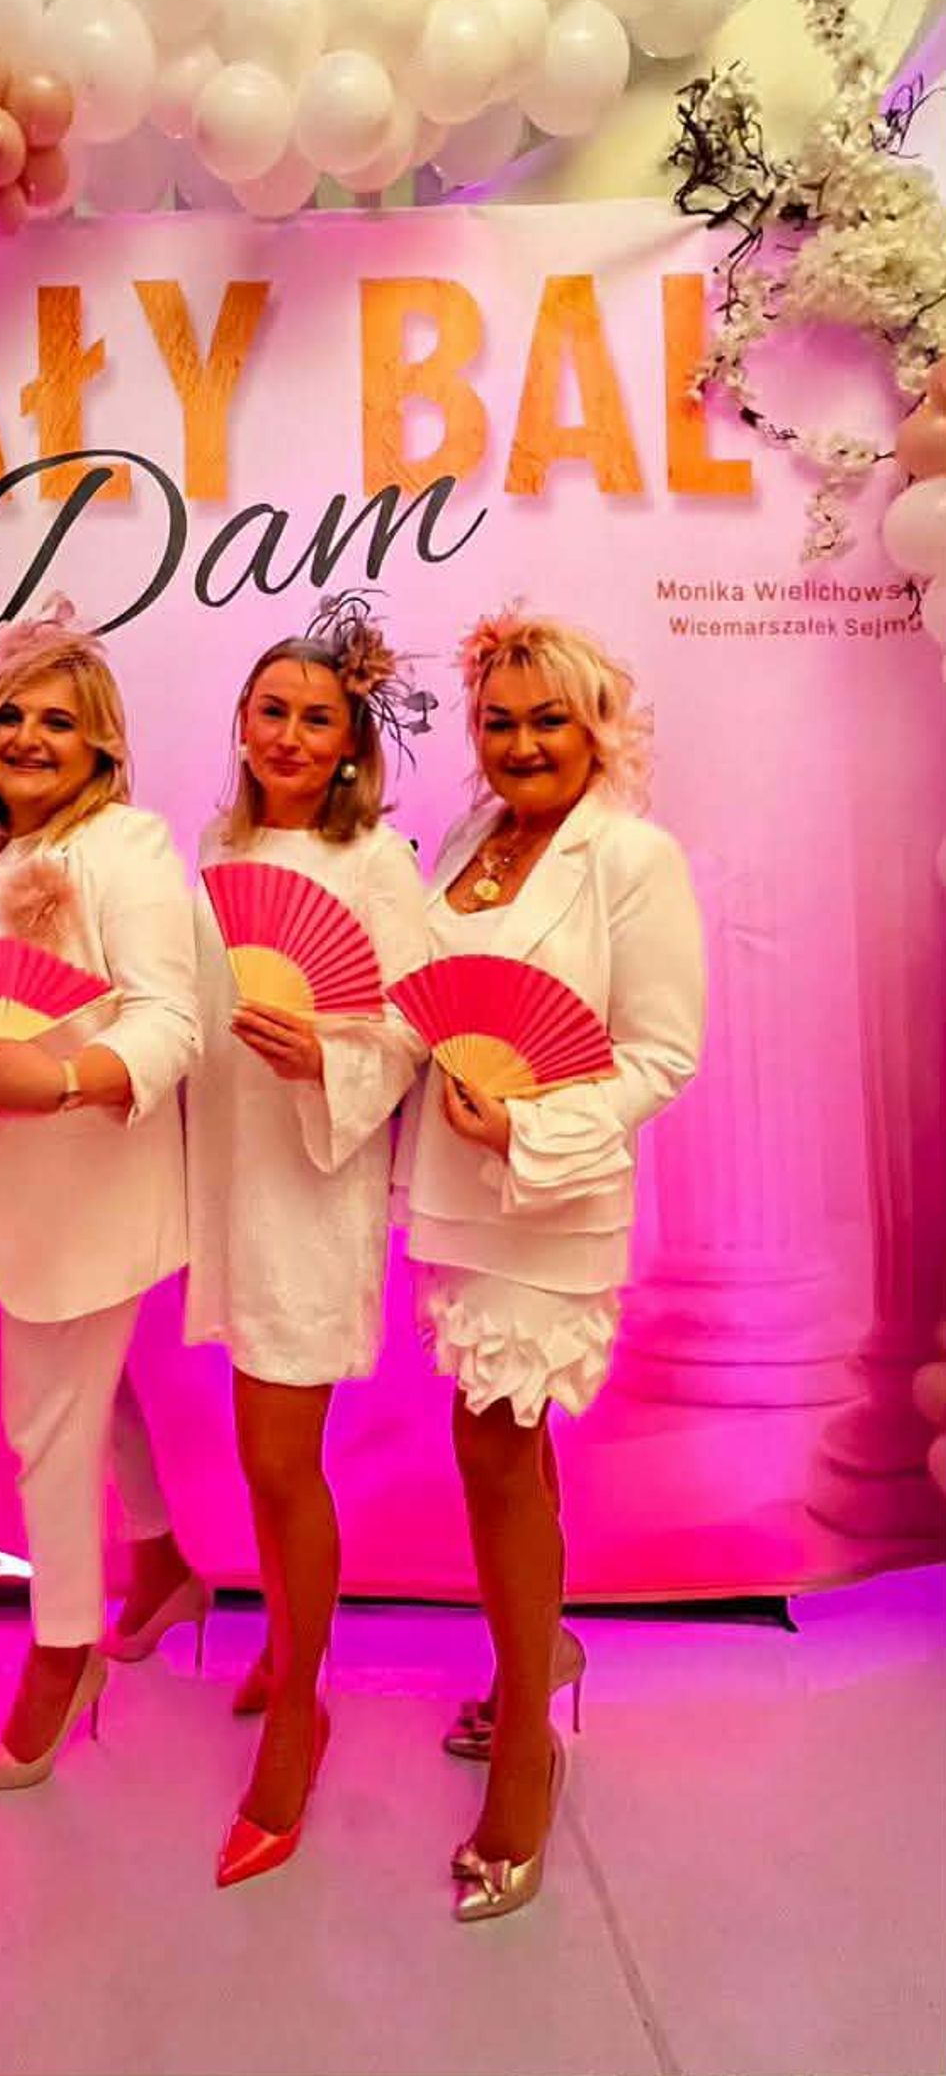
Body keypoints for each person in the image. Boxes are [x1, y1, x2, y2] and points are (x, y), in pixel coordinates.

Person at [397, 609, 704, 1922]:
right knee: (502, 1447)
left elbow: (660, 1054)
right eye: (499, 721)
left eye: (548, 721)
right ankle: (542, 1652)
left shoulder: (631, 856)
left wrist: (528, 1125)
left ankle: (527, 1740)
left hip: (547, 1196)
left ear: (597, 727)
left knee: (494, 1449)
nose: (521, 744)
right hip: (455, 1194)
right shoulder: (469, 841)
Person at [0, 600, 198, 1788]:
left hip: (90, 1186)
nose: (30, 737)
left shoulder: (127, 849)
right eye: (12, 716)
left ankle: (61, 1651)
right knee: (92, 1389)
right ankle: (162, 1563)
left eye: (60, 722)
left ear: (102, 749)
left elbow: (170, 1022)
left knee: (47, 1425)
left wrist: (65, 1078)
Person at [185, 597, 429, 1886]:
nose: (287, 733)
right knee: (256, 1454)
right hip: (235, 1176)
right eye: (271, 710)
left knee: (282, 1463)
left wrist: (324, 1055)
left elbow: (411, 1029)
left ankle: (301, 1703)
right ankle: (285, 1642)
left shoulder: (377, 866)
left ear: (350, 747)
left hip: (313, 1182)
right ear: (242, 723)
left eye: (315, 719)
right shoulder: (216, 851)